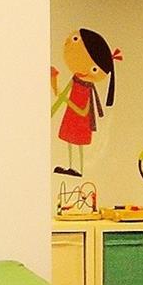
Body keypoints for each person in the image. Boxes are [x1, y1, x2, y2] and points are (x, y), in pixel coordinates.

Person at [51, 28, 120, 177]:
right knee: (69, 143)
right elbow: (60, 95)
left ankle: (79, 170)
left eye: (93, 69)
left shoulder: (87, 88)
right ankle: (70, 167)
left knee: (78, 145)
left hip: (80, 121)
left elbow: (84, 111)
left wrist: (68, 102)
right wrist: (54, 83)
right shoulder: (75, 80)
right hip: (71, 117)